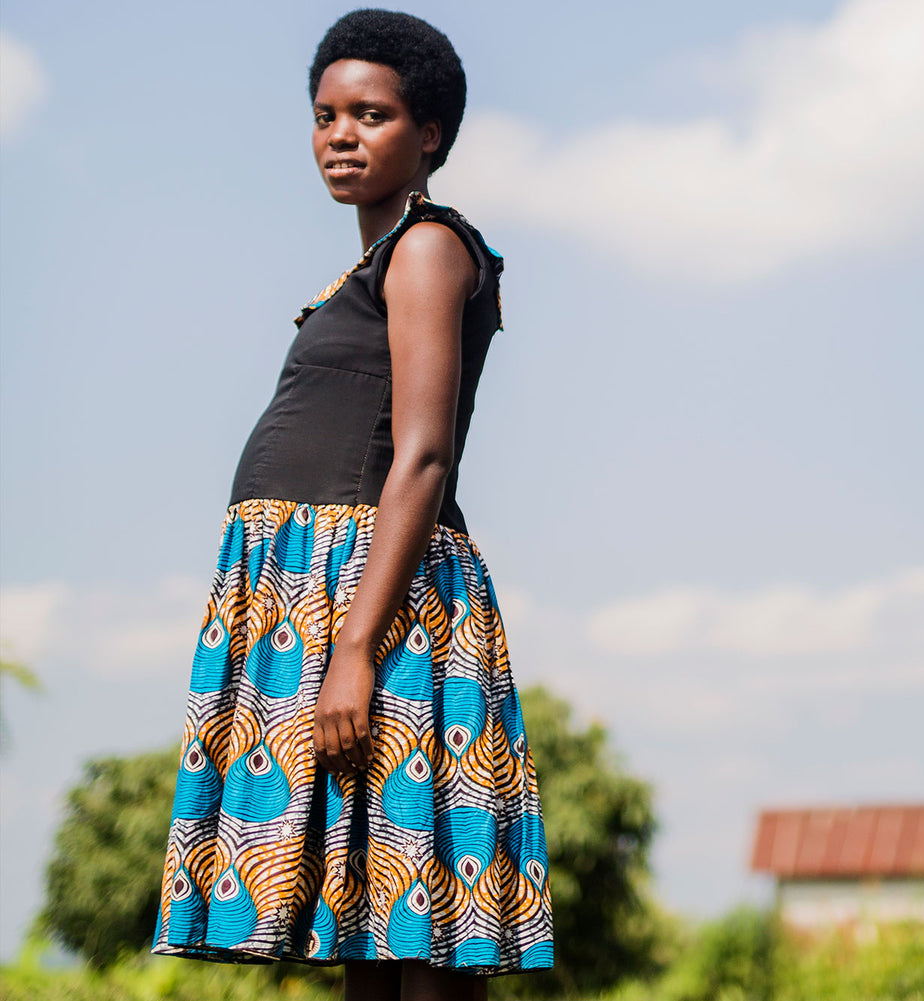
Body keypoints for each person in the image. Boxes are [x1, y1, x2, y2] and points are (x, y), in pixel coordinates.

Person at [149, 9, 553, 999]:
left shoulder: (427, 246)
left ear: (430, 133)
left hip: (384, 609)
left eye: (372, 115)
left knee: (419, 928)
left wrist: (356, 647)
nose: (341, 135)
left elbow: (422, 454)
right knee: (373, 926)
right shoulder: (371, 266)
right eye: (326, 115)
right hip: (331, 607)